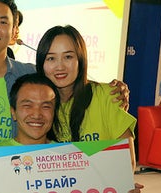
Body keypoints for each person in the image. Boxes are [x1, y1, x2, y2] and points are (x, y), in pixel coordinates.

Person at [0, 0, 130, 148]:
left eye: (3, 22)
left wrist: (111, 89)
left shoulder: (30, 74)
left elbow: (65, 78)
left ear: (14, 32)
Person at [0, 72, 144, 193]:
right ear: (13, 112)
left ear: (54, 112)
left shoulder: (71, 159)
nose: (37, 114)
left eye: (46, 106)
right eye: (28, 105)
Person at [35, 25, 138, 170]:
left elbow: (127, 162)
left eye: (68, 57)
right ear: (41, 64)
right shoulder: (39, 107)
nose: (60, 66)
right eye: (51, 58)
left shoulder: (108, 95)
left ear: (80, 60)